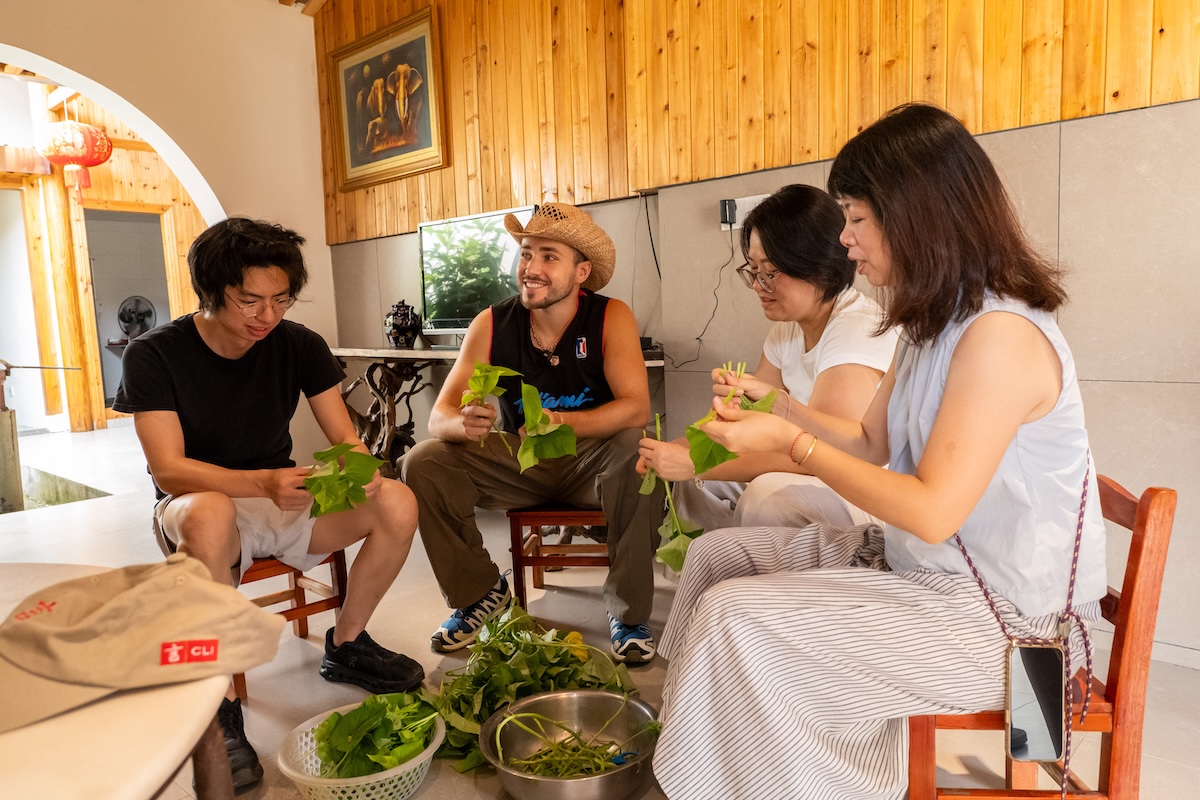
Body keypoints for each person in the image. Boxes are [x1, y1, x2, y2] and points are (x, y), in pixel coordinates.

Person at [651, 104, 1107, 799]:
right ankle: (703, 746)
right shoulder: (932, 321)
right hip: (931, 573)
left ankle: (753, 772)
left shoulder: (999, 337)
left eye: (856, 216)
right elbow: (869, 441)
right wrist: (778, 409)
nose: (846, 239)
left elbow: (930, 512)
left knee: (735, 620)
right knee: (718, 557)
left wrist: (793, 442)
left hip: (1008, 626)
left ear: (918, 213)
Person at [113, 217, 423, 790]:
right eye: (249, 301)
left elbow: (345, 439)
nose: (267, 316)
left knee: (398, 500)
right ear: (211, 292)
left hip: (279, 498)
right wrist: (263, 484)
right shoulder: (153, 355)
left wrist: (362, 470)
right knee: (209, 512)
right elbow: (168, 469)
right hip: (199, 507)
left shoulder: (298, 344)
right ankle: (220, 702)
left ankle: (348, 643)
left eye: (280, 300)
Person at [402, 202, 663, 663]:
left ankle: (629, 612)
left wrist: (562, 422)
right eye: (526, 254)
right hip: (519, 463)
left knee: (635, 449)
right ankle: (480, 592)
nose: (532, 269)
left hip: (592, 463)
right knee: (422, 460)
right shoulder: (491, 322)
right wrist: (462, 424)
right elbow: (437, 416)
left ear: (581, 271)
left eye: (549, 256)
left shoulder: (611, 316)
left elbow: (635, 407)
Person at [637, 184, 897, 533]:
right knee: (692, 479)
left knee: (766, 494)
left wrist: (695, 461)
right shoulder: (786, 330)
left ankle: (752, 581)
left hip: (860, 487)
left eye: (770, 272)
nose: (758, 286)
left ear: (819, 265)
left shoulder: (854, 329)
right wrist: (669, 451)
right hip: (808, 463)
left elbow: (823, 457)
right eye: (753, 271)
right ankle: (718, 574)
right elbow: (744, 421)